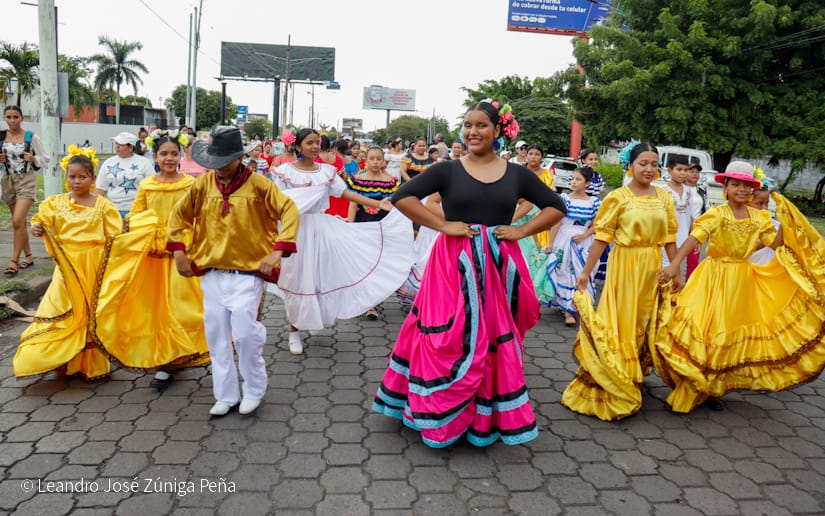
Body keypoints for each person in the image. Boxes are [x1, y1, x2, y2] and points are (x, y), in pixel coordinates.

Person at [373, 100, 566, 447]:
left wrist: (521, 232)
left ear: (498, 131)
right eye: (468, 125)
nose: (473, 132)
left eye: (481, 126)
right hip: (451, 264)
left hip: (496, 266)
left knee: (490, 337)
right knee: (446, 335)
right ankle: (438, 412)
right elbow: (404, 197)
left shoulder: (517, 173)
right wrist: (444, 225)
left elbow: (556, 207)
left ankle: (482, 417)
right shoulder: (447, 169)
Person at [656, 161, 825, 413]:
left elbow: (772, 244)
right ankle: (693, 384)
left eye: (747, 186)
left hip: (741, 280)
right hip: (713, 277)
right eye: (735, 184)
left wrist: (787, 223)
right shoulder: (717, 213)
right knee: (705, 328)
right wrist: (674, 265)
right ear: (725, 186)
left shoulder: (760, 216)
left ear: (753, 189)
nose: (742, 190)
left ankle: (713, 387)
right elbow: (695, 238)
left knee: (728, 332)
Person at [166, 126, 300, 417]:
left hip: (247, 273)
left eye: (224, 160)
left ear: (239, 158)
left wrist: (277, 251)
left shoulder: (260, 186)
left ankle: (254, 388)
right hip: (213, 272)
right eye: (214, 160)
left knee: (245, 333)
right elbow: (178, 215)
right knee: (216, 336)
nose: (218, 167)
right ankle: (225, 394)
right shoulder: (201, 186)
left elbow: (289, 210)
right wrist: (179, 251)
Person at [267, 128, 413, 355]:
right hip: (294, 232)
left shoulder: (326, 171)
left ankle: (313, 319)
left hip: (321, 228)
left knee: (319, 276)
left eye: (317, 142)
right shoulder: (284, 172)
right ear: (297, 147)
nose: (315, 147)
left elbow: (345, 193)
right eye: (310, 143)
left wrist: (375, 204)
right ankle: (294, 331)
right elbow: (276, 205)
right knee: (297, 279)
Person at [561, 142, 678, 421]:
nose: (649, 169)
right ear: (631, 165)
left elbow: (670, 237)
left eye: (653, 164)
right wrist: (586, 272)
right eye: (643, 163)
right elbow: (602, 238)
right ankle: (617, 374)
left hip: (652, 265)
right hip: (624, 265)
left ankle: (635, 367)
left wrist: (676, 268)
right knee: (622, 319)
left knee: (645, 318)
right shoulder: (618, 198)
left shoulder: (664, 197)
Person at [13, 146, 152, 380]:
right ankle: (62, 358)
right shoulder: (56, 203)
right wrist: (37, 227)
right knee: (61, 308)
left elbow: (115, 237)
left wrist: (137, 237)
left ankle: (90, 362)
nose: (77, 182)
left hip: (94, 266)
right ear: (66, 177)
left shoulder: (103, 206)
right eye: (72, 177)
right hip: (67, 267)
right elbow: (42, 221)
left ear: (93, 178)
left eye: (82, 177)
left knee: (91, 312)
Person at [95, 131, 209, 390]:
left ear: (181, 156)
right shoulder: (147, 185)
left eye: (173, 153)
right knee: (155, 308)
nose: (169, 158)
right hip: (154, 254)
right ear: (154, 156)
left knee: (183, 306)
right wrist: (133, 230)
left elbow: (198, 215)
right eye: (163, 154)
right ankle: (164, 360)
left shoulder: (190, 185)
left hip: (181, 252)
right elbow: (136, 214)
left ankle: (185, 350)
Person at [346, 146, 402, 319]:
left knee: (378, 265)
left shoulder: (391, 181)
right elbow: (353, 204)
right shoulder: (357, 180)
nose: (376, 162)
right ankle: (363, 301)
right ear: (366, 160)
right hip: (363, 226)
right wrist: (350, 226)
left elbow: (396, 207)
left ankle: (373, 303)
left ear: (384, 161)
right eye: (372, 158)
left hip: (382, 228)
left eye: (379, 158)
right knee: (363, 264)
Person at [545, 166, 601, 326]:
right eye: (573, 179)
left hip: (584, 242)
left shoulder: (594, 202)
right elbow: (557, 221)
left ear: (587, 183)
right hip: (564, 240)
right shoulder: (564, 199)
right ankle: (567, 310)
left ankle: (580, 305)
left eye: (578, 179)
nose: (574, 182)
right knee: (564, 272)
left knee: (583, 272)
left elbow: (597, 224)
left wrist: (584, 235)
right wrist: (550, 242)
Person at [1, 105, 50, 276]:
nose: (12, 120)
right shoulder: (1, 136)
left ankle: (13, 261)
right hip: (8, 181)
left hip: (26, 180)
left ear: (21, 118)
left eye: (15, 117)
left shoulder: (31, 137)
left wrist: (33, 158)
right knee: (19, 224)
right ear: (5, 118)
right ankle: (28, 256)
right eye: (8, 117)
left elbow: (46, 159)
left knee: (17, 221)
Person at [95, 132, 155, 217]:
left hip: (137, 211)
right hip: (112, 210)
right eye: (116, 144)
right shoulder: (108, 163)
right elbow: (100, 189)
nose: (117, 147)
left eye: (121, 145)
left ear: (130, 147)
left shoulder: (144, 162)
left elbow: (152, 187)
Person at [660, 155, 694, 271]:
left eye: (685, 170)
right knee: (665, 265)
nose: (683, 173)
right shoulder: (663, 191)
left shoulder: (689, 191)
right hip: (666, 237)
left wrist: (692, 234)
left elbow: (690, 214)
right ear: (670, 171)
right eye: (679, 170)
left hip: (683, 237)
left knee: (676, 265)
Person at [684, 162, 706, 279]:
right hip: (681, 227)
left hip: (696, 230)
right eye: (691, 171)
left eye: (697, 172)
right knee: (674, 259)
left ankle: (688, 289)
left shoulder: (701, 191)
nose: (695, 174)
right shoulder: (679, 188)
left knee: (693, 262)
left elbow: (704, 211)